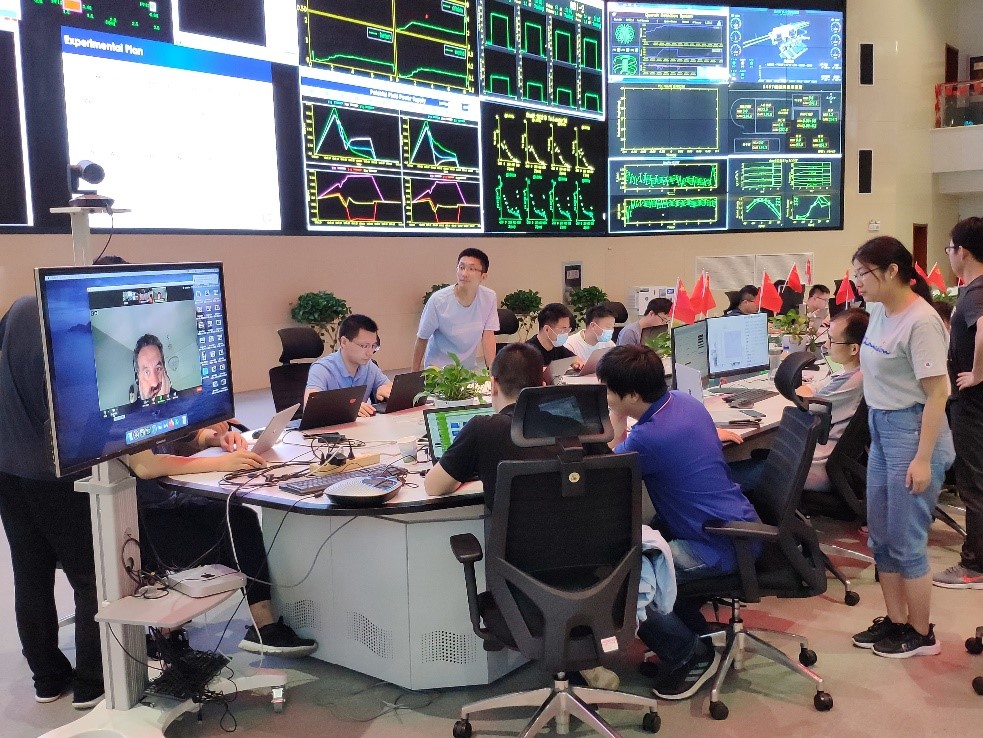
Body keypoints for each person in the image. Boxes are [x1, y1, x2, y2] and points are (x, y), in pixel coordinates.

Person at [423, 343, 618, 690]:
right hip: (592, 576)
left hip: (518, 589)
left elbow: (434, 486)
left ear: (493, 383)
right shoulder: (577, 424)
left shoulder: (484, 429)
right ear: (542, 383)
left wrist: (474, 467)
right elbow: (607, 469)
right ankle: (579, 652)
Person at [596, 345, 762, 700]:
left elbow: (603, 475)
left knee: (627, 585)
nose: (604, 395)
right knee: (645, 548)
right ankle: (694, 633)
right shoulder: (685, 404)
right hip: (735, 525)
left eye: (608, 390)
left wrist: (616, 425)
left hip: (715, 544)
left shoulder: (649, 438)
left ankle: (690, 655)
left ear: (632, 395)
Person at [849, 236, 954, 658]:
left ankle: (921, 632)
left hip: (913, 432)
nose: (857, 282)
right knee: (881, 537)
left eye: (863, 273)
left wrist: (923, 459)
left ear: (892, 271)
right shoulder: (879, 309)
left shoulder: (921, 321)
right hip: (881, 427)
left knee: (907, 541)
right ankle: (895, 621)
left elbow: (938, 394)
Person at [129, 428, 319, 658]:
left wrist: (216, 438)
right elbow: (145, 466)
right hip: (144, 521)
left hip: (169, 501)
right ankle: (263, 627)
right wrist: (221, 463)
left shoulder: (158, 410)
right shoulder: (122, 421)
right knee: (236, 525)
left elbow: (190, 435)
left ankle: (262, 626)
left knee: (238, 516)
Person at [0, 295, 104, 708]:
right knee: (90, 575)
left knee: (30, 573)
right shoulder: (67, 322)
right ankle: (93, 681)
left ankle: (46, 678)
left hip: (7, 467)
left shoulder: (23, 307)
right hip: (54, 471)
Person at [728, 308, 869, 495]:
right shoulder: (850, 372)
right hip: (807, 459)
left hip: (808, 469)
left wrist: (801, 396)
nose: (826, 345)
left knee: (721, 475)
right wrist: (803, 394)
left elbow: (806, 404)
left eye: (832, 340)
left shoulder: (853, 381)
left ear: (854, 349)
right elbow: (812, 389)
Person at [933, 217, 983, 590]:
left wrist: (977, 373)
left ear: (961, 251)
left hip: (972, 405)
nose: (950, 255)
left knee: (974, 484)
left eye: (950, 248)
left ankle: (974, 566)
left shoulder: (975, 292)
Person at [413, 248, 499, 371]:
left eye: (471, 269)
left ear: (483, 276)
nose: (464, 273)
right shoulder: (438, 301)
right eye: (461, 267)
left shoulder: (489, 297)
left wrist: (493, 373)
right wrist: (414, 374)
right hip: (438, 372)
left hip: (468, 371)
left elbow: (488, 335)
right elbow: (422, 338)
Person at [305, 313, 393, 417]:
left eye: (373, 346)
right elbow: (310, 406)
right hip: (330, 426)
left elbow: (392, 388)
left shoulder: (369, 366)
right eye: (364, 346)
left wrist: (384, 389)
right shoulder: (322, 368)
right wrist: (348, 406)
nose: (370, 352)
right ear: (344, 342)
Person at [526, 302, 582, 368]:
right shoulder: (528, 352)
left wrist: (577, 364)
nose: (566, 334)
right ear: (547, 329)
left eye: (568, 330)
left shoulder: (557, 347)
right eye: (563, 330)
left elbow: (574, 359)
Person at [131, 333, 172, 402]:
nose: (155, 383)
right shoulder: (133, 408)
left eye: (158, 369)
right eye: (147, 372)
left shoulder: (184, 402)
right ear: (138, 378)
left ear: (164, 370)